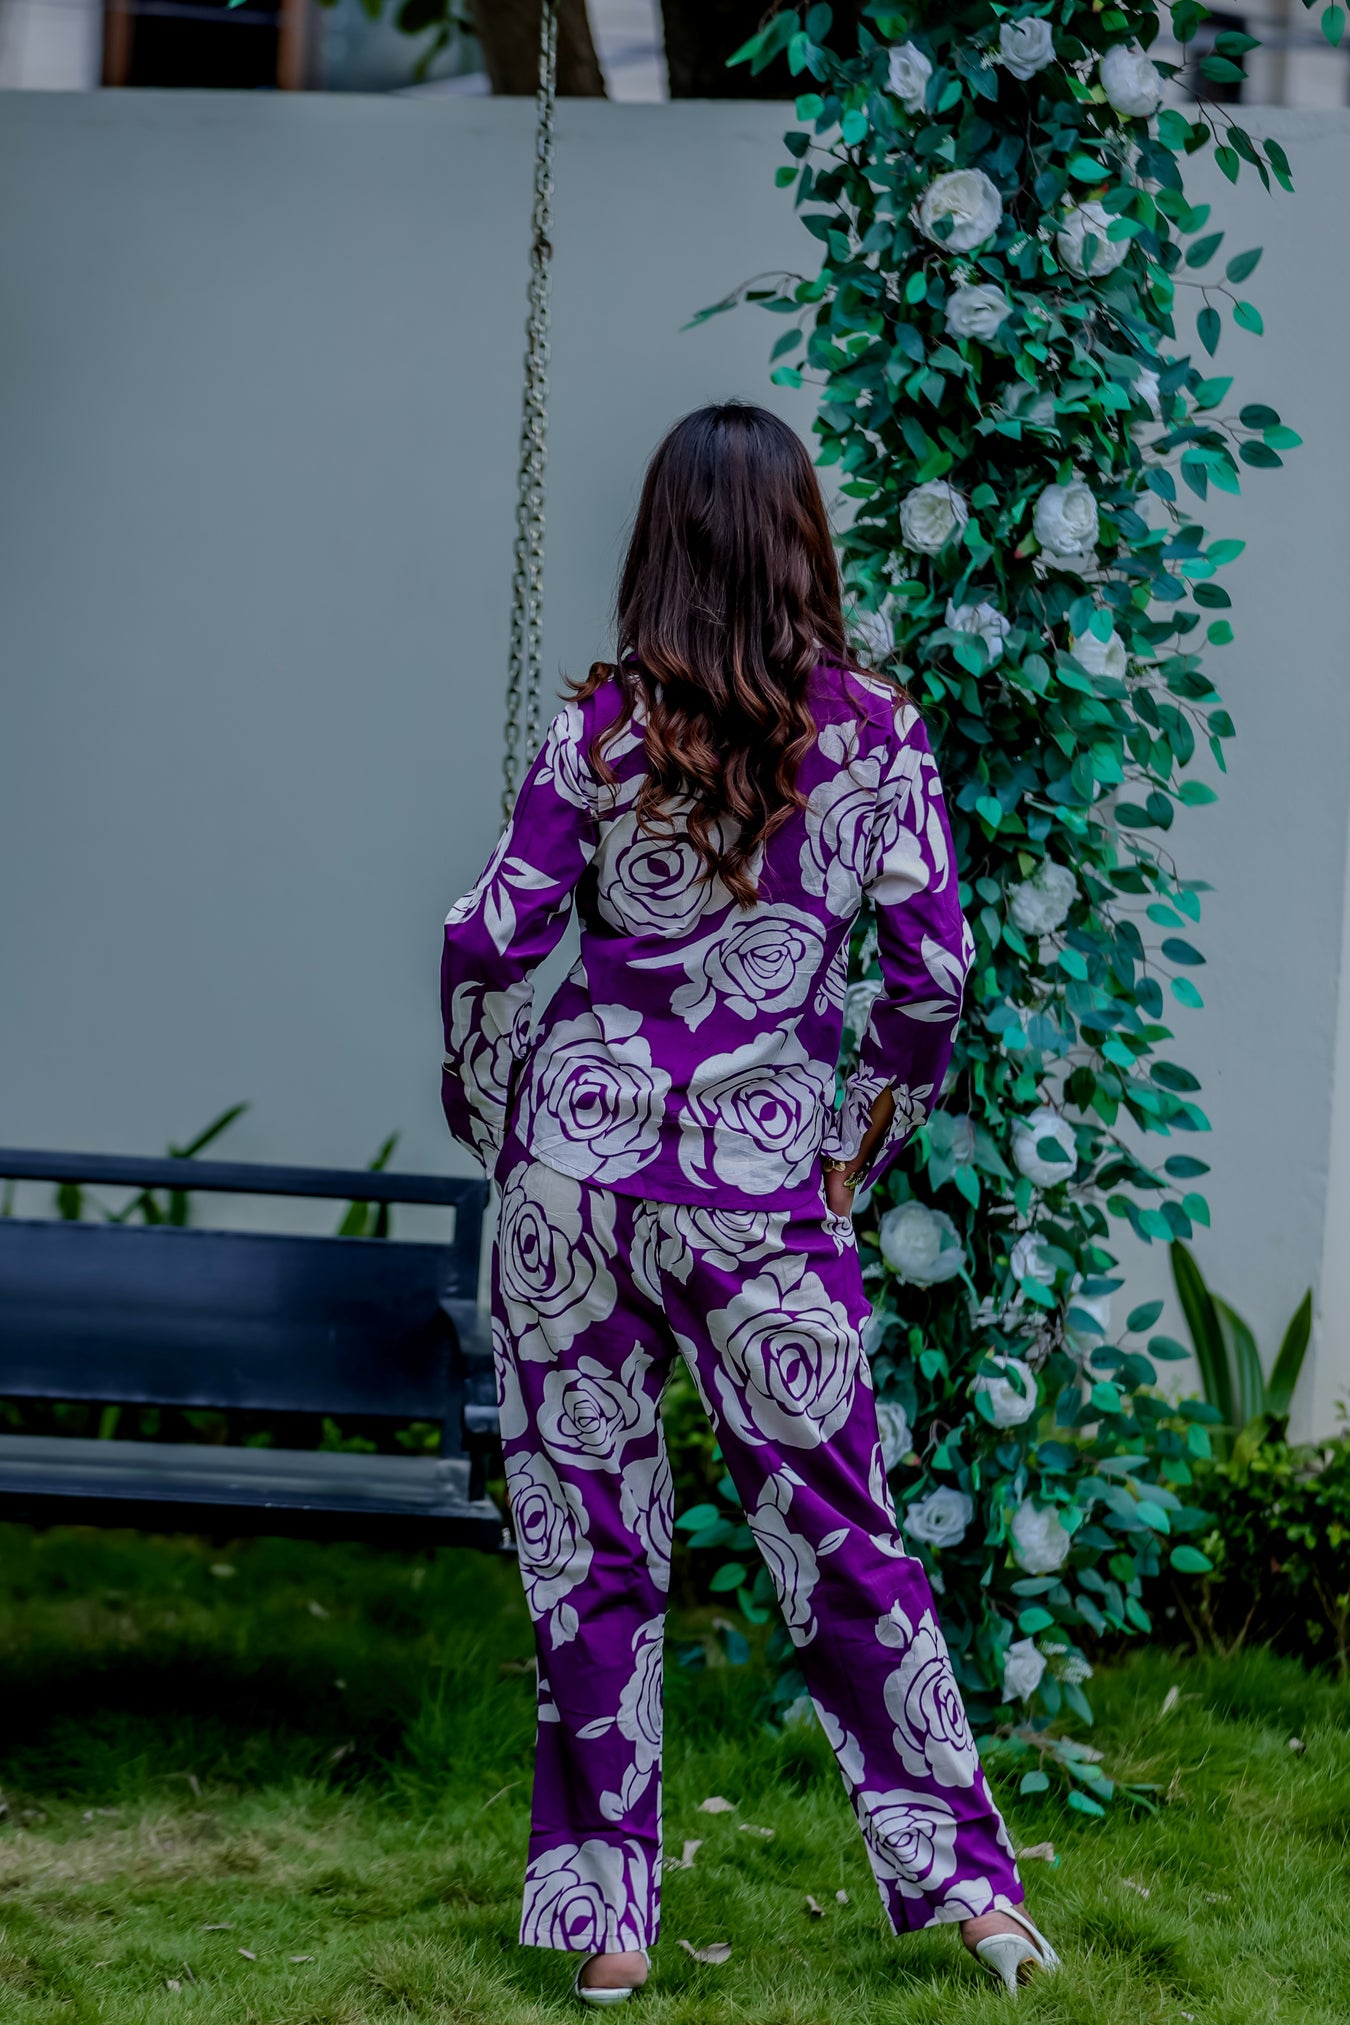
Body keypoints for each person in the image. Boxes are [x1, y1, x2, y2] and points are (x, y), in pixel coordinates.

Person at [440, 402, 1058, 2003]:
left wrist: (489, 1109)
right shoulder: (876, 734)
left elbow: (489, 939)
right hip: (761, 1195)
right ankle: (972, 1896)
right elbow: (933, 976)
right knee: (845, 1539)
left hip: (571, 1187)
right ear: (802, 542)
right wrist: (857, 1141)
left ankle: (609, 1927)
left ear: (661, 542)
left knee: (586, 1545)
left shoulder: (601, 730)